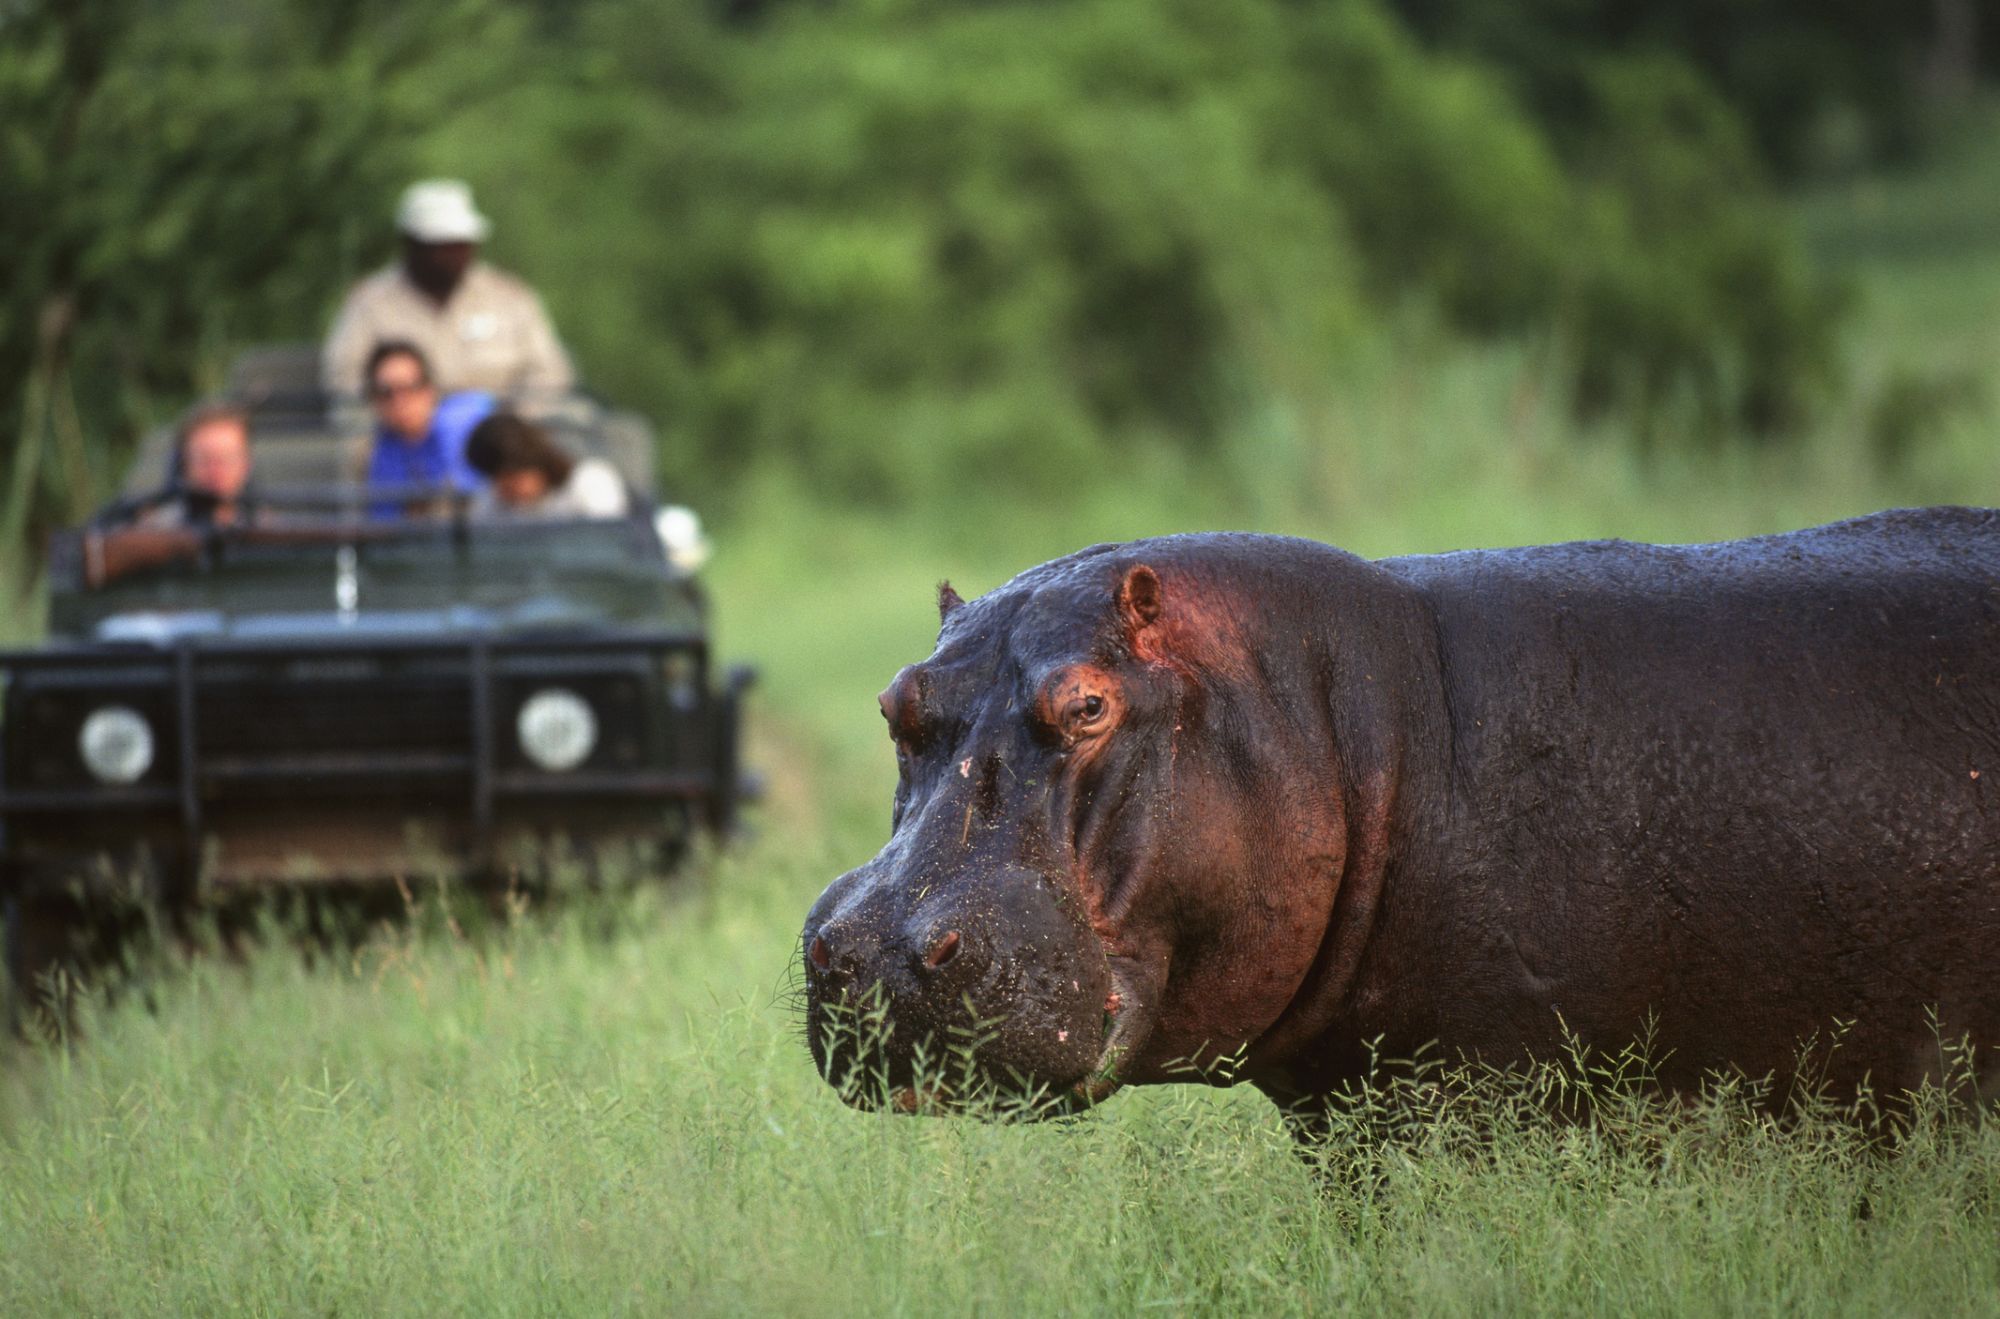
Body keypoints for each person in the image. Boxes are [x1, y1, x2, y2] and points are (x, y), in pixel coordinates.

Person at [321, 179, 575, 402]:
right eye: (440, 245)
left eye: (460, 243)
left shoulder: (510, 297)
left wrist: (512, 431)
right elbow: (346, 382)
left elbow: (549, 374)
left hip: (498, 442)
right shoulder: (369, 303)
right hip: (405, 444)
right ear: (411, 243)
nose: (452, 255)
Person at [364, 340, 492, 509]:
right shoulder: (385, 446)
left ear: (430, 389)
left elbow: (468, 502)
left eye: (410, 387)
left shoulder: (460, 422)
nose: (399, 401)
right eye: (386, 393)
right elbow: (385, 520)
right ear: (374, 400)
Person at [463, 413, 630, 519]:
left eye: (510, 476)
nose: (505, 490)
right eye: (495, 480)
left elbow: (608, 544)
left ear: (533, 459)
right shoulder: (490, 502)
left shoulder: (590, 482)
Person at [143, 404, 255, 528]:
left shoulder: (268, 525)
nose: (217, 470)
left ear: (245, 463)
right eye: (205, 459)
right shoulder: (154, 530)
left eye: (228, 457)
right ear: (183, 464)